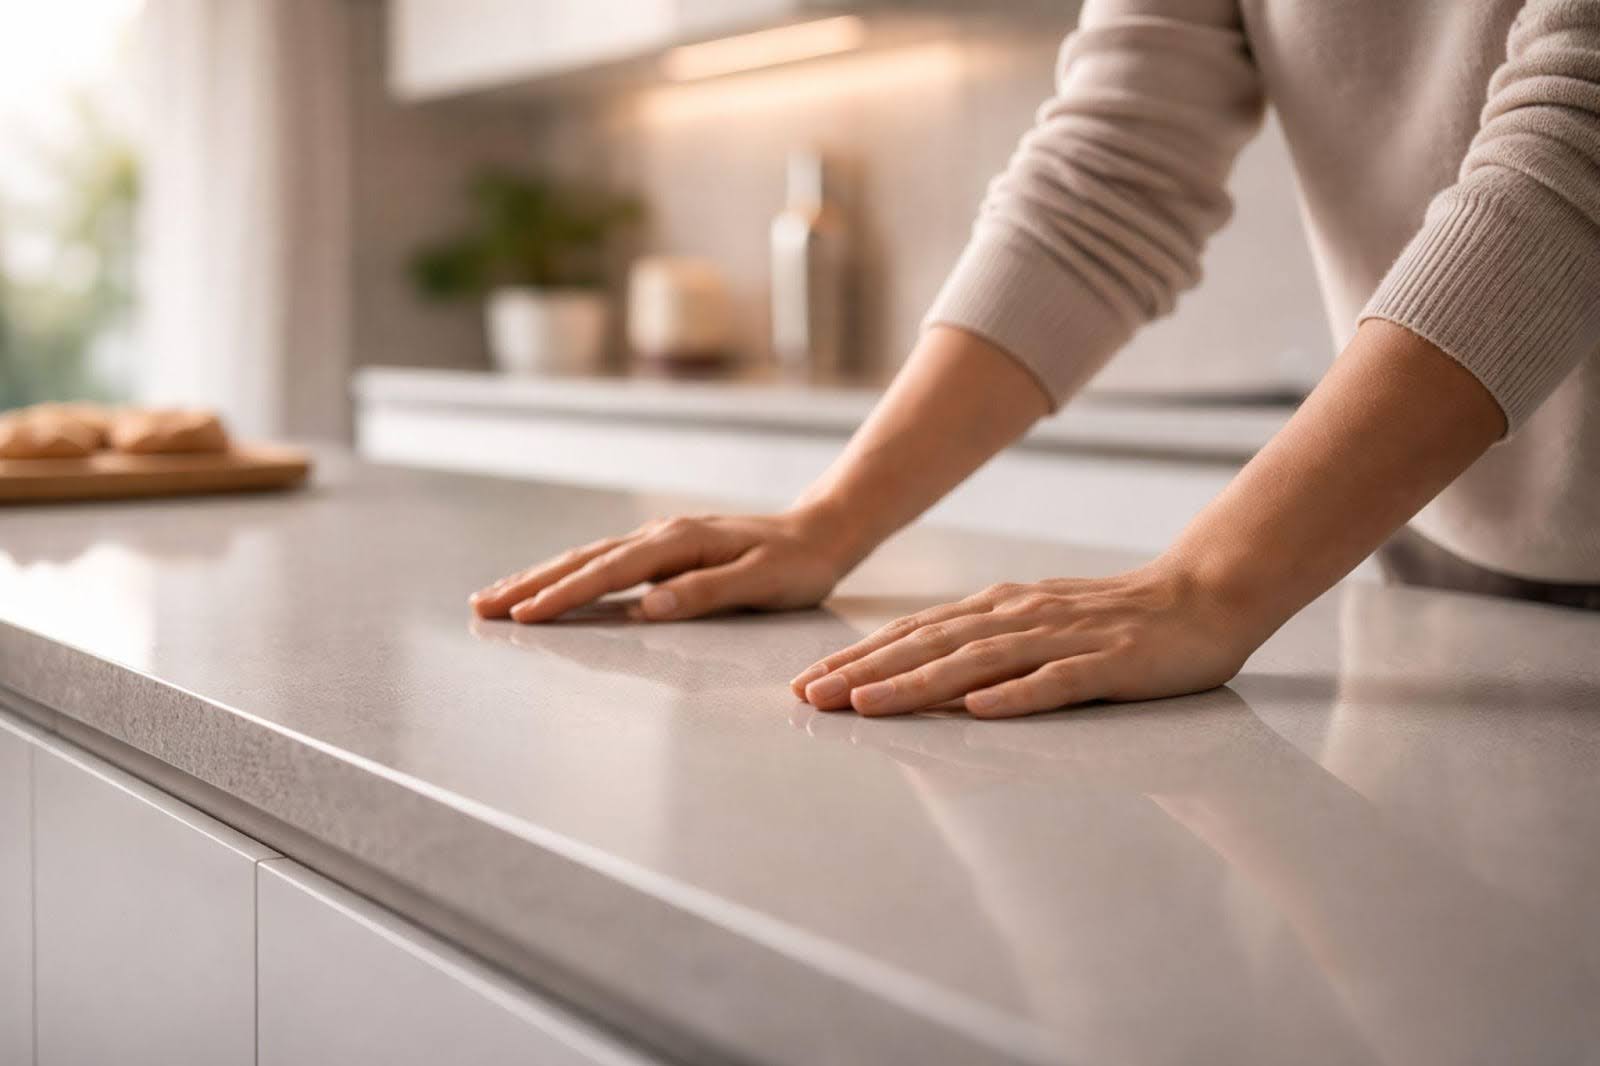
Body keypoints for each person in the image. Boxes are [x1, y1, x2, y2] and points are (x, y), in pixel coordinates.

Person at [472, 0, 1600, 719]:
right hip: (1452, 559)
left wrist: (1205, 583)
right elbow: (1109, 170)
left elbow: (1576, 139)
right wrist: (830, 518)